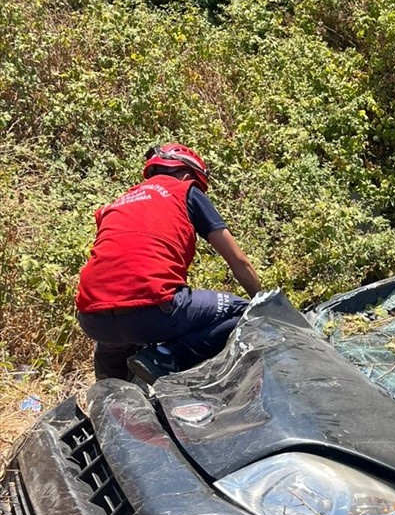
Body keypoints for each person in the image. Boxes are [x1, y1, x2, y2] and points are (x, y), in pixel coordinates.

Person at [76, 143, 262, 381]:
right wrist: (264, 304)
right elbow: (238, 261)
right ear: (187, 174)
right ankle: (165, 355)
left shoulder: (118, 202)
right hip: (151, 310)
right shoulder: (186, 191)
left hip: (92, 319)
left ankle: (108, 386)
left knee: (118, 334)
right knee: (243, 310)